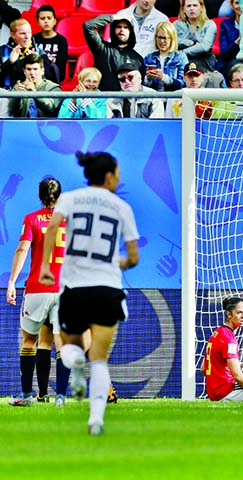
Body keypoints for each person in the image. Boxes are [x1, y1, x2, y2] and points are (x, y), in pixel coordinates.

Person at [39, 151, 140, 436]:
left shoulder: (70, 198)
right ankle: (95, 420)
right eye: (118, 173)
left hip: (75, 289)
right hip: (107, 289)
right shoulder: (122, 207)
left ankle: (75, 362)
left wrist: (46, 266)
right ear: (109, 176)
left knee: (70, 348)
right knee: (100, 358)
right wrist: (111, 261)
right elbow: (133, 258)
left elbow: (51, 230)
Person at [7, 178, 70, 408]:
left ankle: (26, 394)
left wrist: (12, 281)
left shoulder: (32, 219)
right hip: (64, 288)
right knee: (61, 343)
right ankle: (61, 397)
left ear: (39, 196)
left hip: (38, 289)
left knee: (28, 341)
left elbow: (23, 248)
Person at [84, 14, 146, 92]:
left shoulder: (137, 58)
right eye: (119, 27)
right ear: (113, 29)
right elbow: (88, 26)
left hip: (126, 101)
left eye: (126, 27)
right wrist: (113, 17)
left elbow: (140, 85)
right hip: (102, 100)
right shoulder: (102, 48)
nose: (122, 30)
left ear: (131, 32)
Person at [9, 53, 61, 118]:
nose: (32, 73)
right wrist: (17, 96)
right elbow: (11, 110)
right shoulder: (19, 87)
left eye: (35, 69)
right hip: (24, 125)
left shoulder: (53, 88)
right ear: (24, 71)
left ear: (42, 71)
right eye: (29, 69)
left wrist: (35, 93)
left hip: (46, 126)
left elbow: (50, 107)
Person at [143, 21, 189, 91]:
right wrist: (148, 79)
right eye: (159, 37)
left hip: (173, 98)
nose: (161, 41)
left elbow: (184, 84)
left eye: (165, 38)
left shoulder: (181, 57)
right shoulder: (148, 58)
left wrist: (164, 78)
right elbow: (142, 85)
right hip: (153, 98)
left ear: (172, 39)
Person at [174, 0, 217, 72]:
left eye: (195, 5)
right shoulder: (176, 25)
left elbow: (204, 47)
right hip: (181, 62)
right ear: (183, 9)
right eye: (188, 6)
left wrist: (182, 52)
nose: (191, 8)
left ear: (201, 8)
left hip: (204, 63)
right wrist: (189, 43)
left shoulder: (210, 24)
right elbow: (170, 41)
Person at [32, 6, 68, 83]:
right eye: (42, 18)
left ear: (55, 21)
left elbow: (61, 65)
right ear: (38, 22)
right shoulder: (33, 39)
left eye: (49, 18)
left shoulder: (61, 41)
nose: (46, 21)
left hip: (53, 78)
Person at [216, 0, 241, 74]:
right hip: (230, 64)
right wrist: (237, 42)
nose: (241, 6)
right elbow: (224, 55)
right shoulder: (225, 25)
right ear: (231, 5)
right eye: (237, 3)